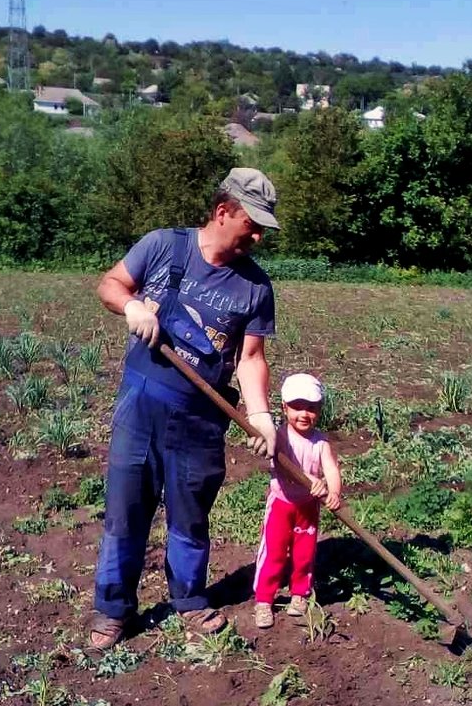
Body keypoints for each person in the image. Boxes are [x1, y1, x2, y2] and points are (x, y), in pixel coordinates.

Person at [89, 167, 280, 650]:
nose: (257, 235)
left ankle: (190, 601)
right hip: (142, 405)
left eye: (262, 227)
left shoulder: (255, 287)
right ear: (222, 212)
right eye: (251, 224)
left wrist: (260, 414)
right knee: (125, 513)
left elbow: (250, 358)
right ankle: (113, 610)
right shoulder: (162, 246)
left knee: (191, 516)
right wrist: (130, 306)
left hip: (201, 418)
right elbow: (111, 284)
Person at [253, 373, 342, 629]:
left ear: (320, 410)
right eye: (297, 407)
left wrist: (333, 491)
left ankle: (300, 594)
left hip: (308, 507)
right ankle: (263, 600)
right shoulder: (280, 437)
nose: (304, 414)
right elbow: (282, 468)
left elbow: (332, 470)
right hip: (281, 504)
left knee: (305, 553)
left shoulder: (321, 442)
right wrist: (310, 479)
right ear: (284, 407)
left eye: (311, 408)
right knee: (274, 552)